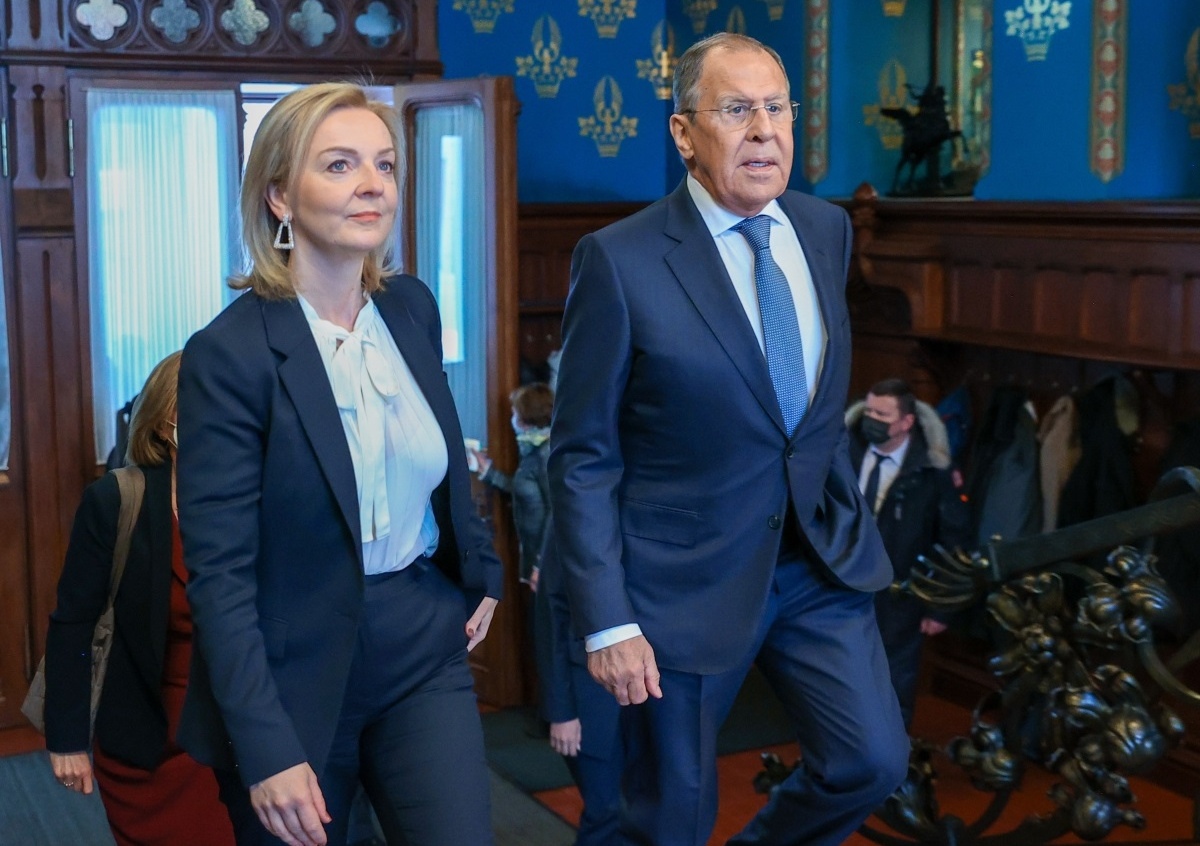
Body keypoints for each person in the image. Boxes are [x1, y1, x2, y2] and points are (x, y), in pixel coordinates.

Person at [548, 32, 909, 846]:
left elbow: (804, 415)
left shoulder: (825, 229)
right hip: (677, 583)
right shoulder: (619, 260)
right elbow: (581, 457)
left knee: (872, 761)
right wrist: (608, 619)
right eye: (737, 109)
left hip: (814, 560)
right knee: (668, 818)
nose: (764, 131)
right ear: (684, 133)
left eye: (777, 108)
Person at [175, 83, 503, 846]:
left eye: (384, 164)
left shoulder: (411, 308)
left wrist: (481, 567)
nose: (373, 184)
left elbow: (443, 458)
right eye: (339, 164)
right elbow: (220, 576)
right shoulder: (228, 355)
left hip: (420, 642)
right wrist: (265, 748)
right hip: (290, 667)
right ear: (279, 196)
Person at [43, 351, 236, 846]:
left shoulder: (250, 500)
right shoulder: (115, 500)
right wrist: (67, 738)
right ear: (166, 421)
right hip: (148, 738)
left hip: (235, 730)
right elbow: (74, 623)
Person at [847, 378, 971, 730]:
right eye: (869, 410)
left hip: (901, 594)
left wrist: (941, 607)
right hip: (844, 583)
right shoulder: (846, 450)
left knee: (893, 679)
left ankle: (889, 749)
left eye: (882, 415)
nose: (871, 419)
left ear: (906, 422)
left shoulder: (932, 470)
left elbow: (954, 540)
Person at [535, 526, 623, 846]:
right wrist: (561, 712)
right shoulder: (570, 519)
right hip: (587, 696)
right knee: (605, 810)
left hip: (648, 693)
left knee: (638, 810)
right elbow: (550, 618)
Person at [469, 382, 553, 590]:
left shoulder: (545, 453)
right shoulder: (531, 449)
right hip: (535, 554)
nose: (512, 418)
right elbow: (523, 488)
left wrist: (541, 563)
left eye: (515, 413)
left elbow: (555, 511)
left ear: (525, 418)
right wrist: (489, 472)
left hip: (546, 559)